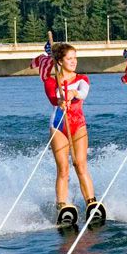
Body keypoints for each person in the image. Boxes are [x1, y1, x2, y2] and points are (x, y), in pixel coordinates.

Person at [43, 43, 97, 215]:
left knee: (80, 164)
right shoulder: (51, 81)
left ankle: (91, 202)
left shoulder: (82, 79)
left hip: (78, 124)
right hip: (59, 125)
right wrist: (61, 100)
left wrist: (73, 94)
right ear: (60, 61)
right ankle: (62, 205)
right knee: (63, 168)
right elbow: (53, 98)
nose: (74, 61)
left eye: (75, 58)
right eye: (69, 58)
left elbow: (84, 92)